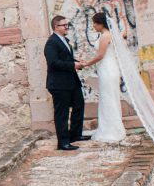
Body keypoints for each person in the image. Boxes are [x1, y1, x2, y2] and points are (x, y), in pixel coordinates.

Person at [80, 11, 127, 143]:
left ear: (101, 23)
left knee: (109, 98)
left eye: (95, 23)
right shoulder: (108, 35)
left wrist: (85, 64)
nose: (93, 26)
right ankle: (112, 128)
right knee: (109, 97)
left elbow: (100, 55)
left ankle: (112, 131)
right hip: (107, 68)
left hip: (108, 69)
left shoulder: (105, 36)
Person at [44, 15, 89, 151]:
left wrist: (77, 63)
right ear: (56, 27)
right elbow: (53, 63)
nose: (67, 27)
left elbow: (65, 59)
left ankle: (75, 135)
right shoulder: (51, 42)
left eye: (67, 24)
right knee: (61, 113)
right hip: (59, 83)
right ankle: (62, 142)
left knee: (79, 105)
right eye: (64, 25)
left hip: (71, 81)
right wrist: (73, 66)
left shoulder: (64, 40)